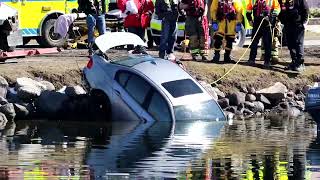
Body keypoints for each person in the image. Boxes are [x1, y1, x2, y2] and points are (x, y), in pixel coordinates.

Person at [246, 0, 281, 69]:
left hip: (268, 24)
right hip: (257, 23)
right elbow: (248, 11)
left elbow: (277, 9)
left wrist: (271, 17)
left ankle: (266, 61)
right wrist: (250, 20)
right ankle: (252, 59)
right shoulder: (253, 1)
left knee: (267, 43)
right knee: (254, 42)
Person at [278, 0, 309, 72]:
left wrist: (304, 23)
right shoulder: (283, 1)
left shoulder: (300, 1)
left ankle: (300, 64)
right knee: (290, 44)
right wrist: (280, 19)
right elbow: (281, 11)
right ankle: (294, 61)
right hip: (288, 25)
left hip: (298, 24)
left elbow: (306, 10)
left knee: (298, 43)